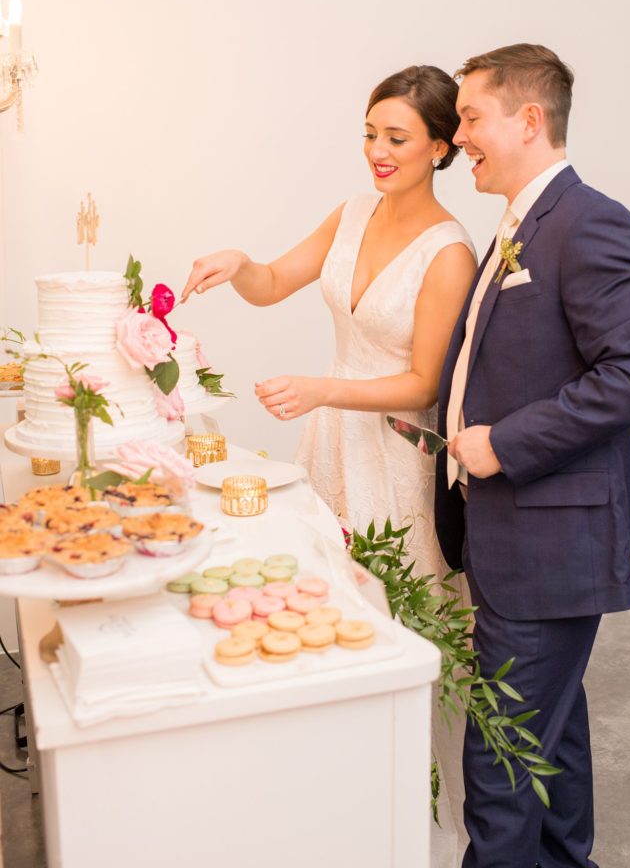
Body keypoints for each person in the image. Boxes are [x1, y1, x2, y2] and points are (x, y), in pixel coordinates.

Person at [182, 64, 478, 866]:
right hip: (331, 449)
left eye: (397, 138)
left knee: (404, 631)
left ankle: (417, 828)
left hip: (398, 458)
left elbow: (422, 381)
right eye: (369, 134)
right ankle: (341, 813)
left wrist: (321, 387)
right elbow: (277, 280)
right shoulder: (353, 212)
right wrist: (240, 261)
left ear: (441, 147)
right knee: (327, 620)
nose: (377, 152)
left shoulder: (449, 253)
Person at [436, 43, 630, 868]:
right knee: (553, 738)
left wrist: (501, 443)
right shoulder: (517, 225)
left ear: (528, 119)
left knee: (501, 763)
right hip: (513, 537)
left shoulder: (590, 222)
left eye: (470, 116)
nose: (456, 133)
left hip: (550, 543)